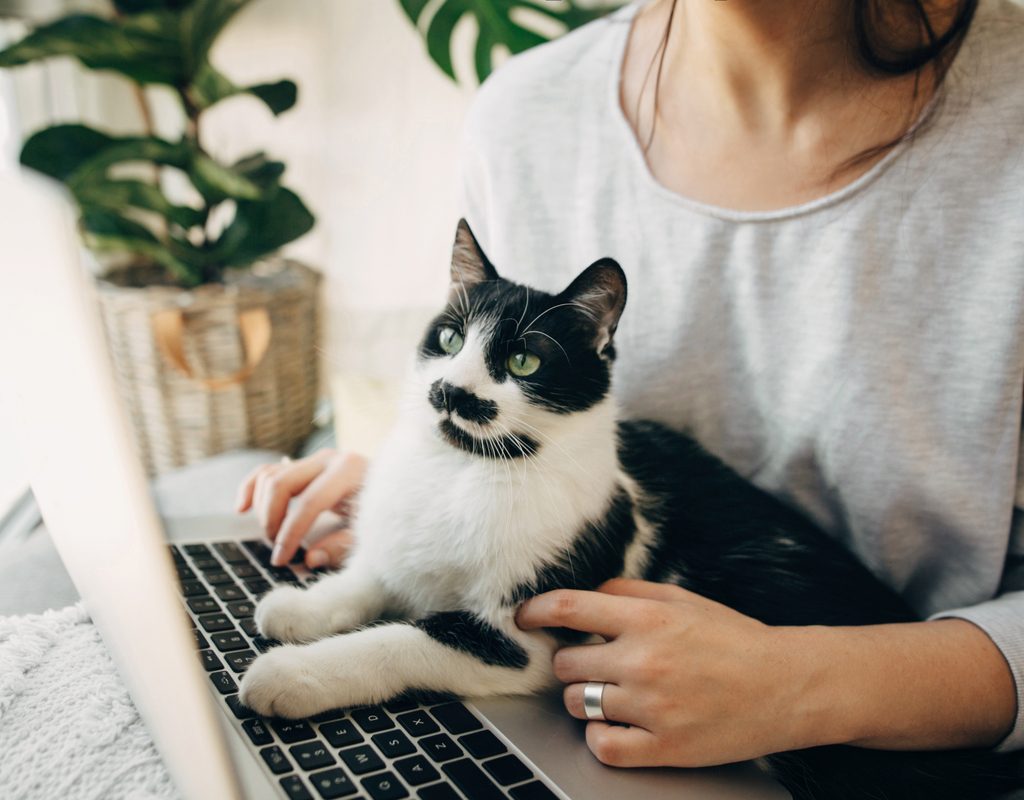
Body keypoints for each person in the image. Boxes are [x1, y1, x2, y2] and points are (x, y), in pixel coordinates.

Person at [237, 0, 1024, 771]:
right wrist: (430, 496)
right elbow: (527, 429)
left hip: (896, 762)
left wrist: (804, 685)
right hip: (562, 707)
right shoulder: (529, 112)